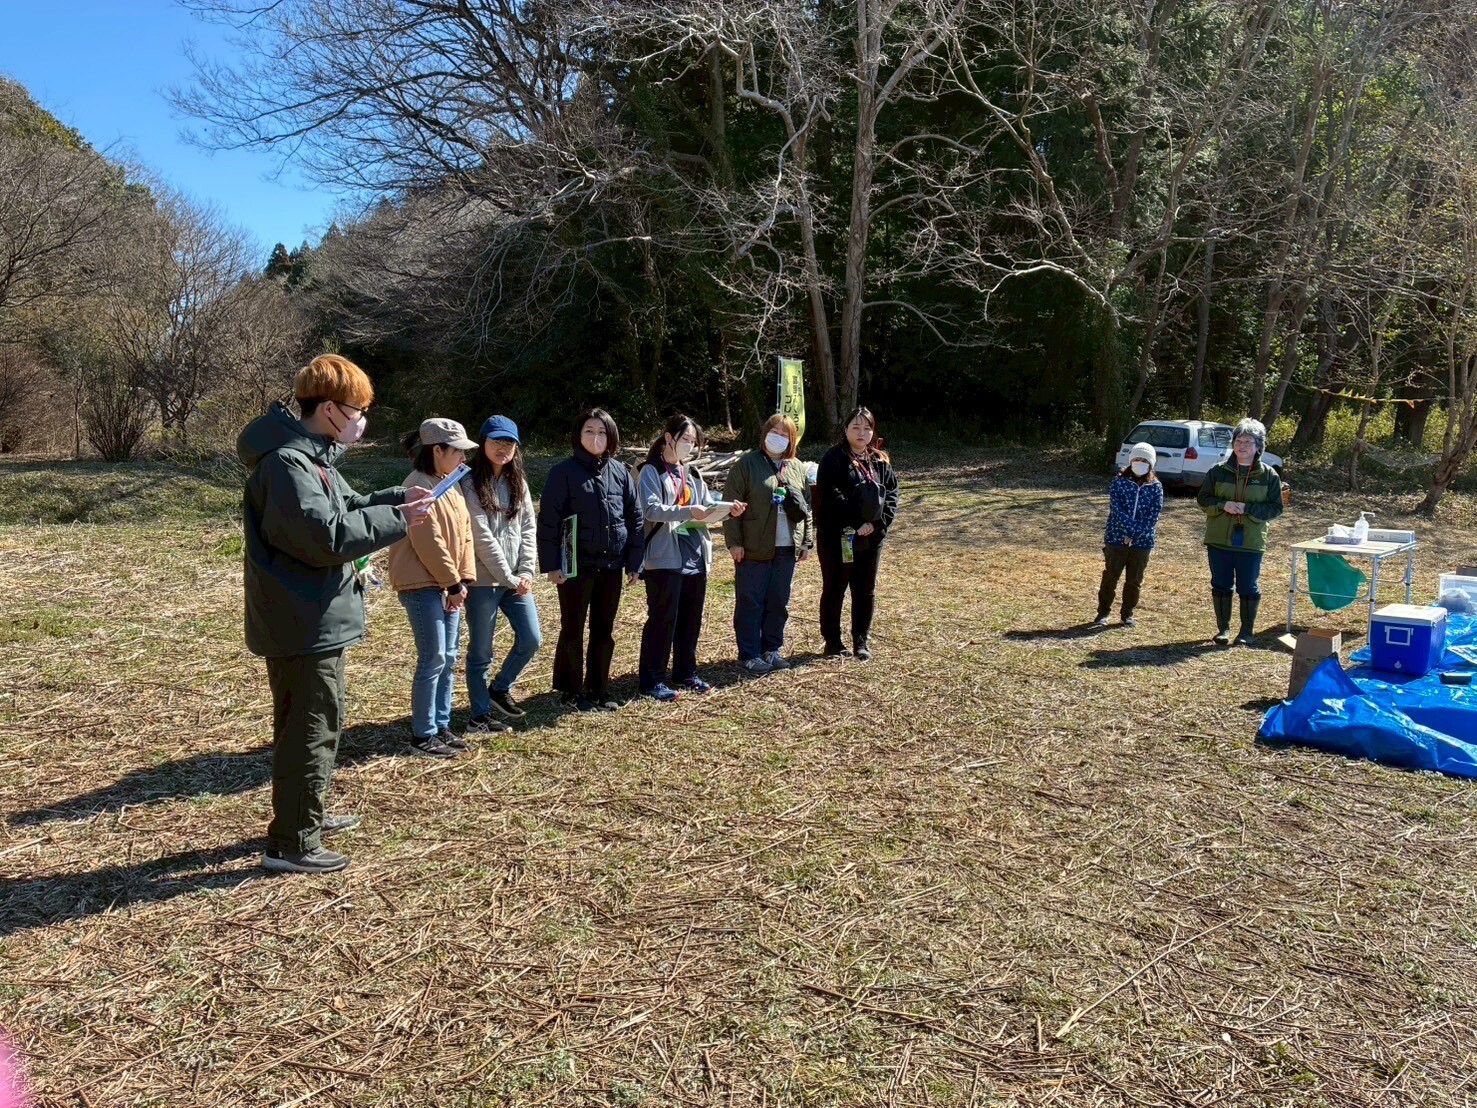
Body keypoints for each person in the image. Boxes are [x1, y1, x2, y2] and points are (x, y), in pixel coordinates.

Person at [238, 354, 432, 875]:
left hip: (312, 617)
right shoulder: (288, 465)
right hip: (302, 622)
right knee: (311, 727)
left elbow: (347, 506)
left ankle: (307, 816)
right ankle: (292, 842)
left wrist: (397, 497)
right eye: (357, 410)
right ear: (329, 410)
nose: (361, 421)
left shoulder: (312, 459)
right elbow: (326, 537)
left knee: (318, 721)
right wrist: (399, 519)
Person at [536, 408, 644, 711]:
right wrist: (551, 564)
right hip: (575, 565)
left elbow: (635, 518)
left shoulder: (621, 472)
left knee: (603, 628)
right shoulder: (563, 472)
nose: (596, 437)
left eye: (601, 432)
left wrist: (635, 562)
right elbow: (548, 521)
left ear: (610, 436)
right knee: (573, 626)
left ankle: (598, 688)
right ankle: (571, 691)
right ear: (578, 435)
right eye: (589, 431)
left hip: (612, 564)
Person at [636, 415, 747, 700]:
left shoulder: (692, 472)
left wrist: (728, 507)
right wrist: (688, 511)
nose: (689, 445)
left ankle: (685, 671)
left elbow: (706, 504)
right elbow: (650, 510)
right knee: (662, 619)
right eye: (685, 439)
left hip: (694, 555)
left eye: (693, 442)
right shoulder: (650, 471)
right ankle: (652, 680)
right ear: (668, 437)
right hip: (664, 557)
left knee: (690, 617)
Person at [388, 418, 478, 755]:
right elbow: (429, 540)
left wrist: (463, 580)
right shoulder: (418, 485)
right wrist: (452, 583)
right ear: (437, 450)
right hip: (422, 583)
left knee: (449, 655)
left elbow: (465, 533)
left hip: (449, 584)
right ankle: (423, 735)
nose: (463, 459)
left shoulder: (449, 483)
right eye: (457, 452)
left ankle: (441, 726)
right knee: (434, 656)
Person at [460, 415, 542, 729]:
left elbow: (527, 530)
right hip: (483, 580)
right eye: (496, 441)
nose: (502, 448)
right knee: (481, 650)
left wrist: (526, 572)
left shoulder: (517, 481)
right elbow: (481, 537)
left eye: (508, 442)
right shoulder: (468, 482)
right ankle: (479, 715)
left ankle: (499, 689)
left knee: (531, 638)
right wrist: (509, 577)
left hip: (515, 581)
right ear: (483, 443)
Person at [722, 413, 813, 674]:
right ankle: (749, 653)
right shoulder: (747, 464)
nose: (778, 437)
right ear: (765, 434)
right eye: (774, 431)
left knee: (778, 600)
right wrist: (734, 543)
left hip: (786, 547)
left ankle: (771, 649)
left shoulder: (795, 467)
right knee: (751, 600)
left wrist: (806, 542)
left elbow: (807, 507)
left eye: (785, 434)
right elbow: (731, 504)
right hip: (753, 546)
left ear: (792, 440)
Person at [814, 406, 899, 660]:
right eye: (856, 427)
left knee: (865, 590)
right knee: (835, 587)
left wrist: (877, 524)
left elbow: (892, 493)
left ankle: (861, 640)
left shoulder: (879, 460)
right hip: (839, 537)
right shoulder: (833, 458)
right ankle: (832, 641)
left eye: (867, 428)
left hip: (872, 537)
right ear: (845, 430)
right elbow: (831, 495)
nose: (862, 433)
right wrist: (855, 521)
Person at [1197, 417, 1286, 646]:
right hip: (1218, 539)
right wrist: (1222, 505)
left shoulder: (1268, 475)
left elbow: (1276, 508)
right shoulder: (1218, 471)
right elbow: (1203, 499)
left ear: (1258, 447)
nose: (1242, 445)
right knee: (1221, 583)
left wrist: (1249, 509)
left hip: (1251, 541)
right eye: (1238, 440)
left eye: (1248, 441)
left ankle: (1246, 632)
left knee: (1248, 586)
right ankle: (1223, 629)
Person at [1093, 442, 1164, 628]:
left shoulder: (1156, 487)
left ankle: (1127, 614)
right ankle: (1103, 612)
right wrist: (1127, 532)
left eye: (1144, 460)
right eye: (1137, 459)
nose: (1140, 462)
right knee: (1111, 576)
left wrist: (1135, 535)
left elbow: (1153, 515)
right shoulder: (1119, 482)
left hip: (1142, 541)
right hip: (1116, 538)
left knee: (1134, 580)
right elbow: (1117, 510)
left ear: (1151, 464)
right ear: (1131, 461)